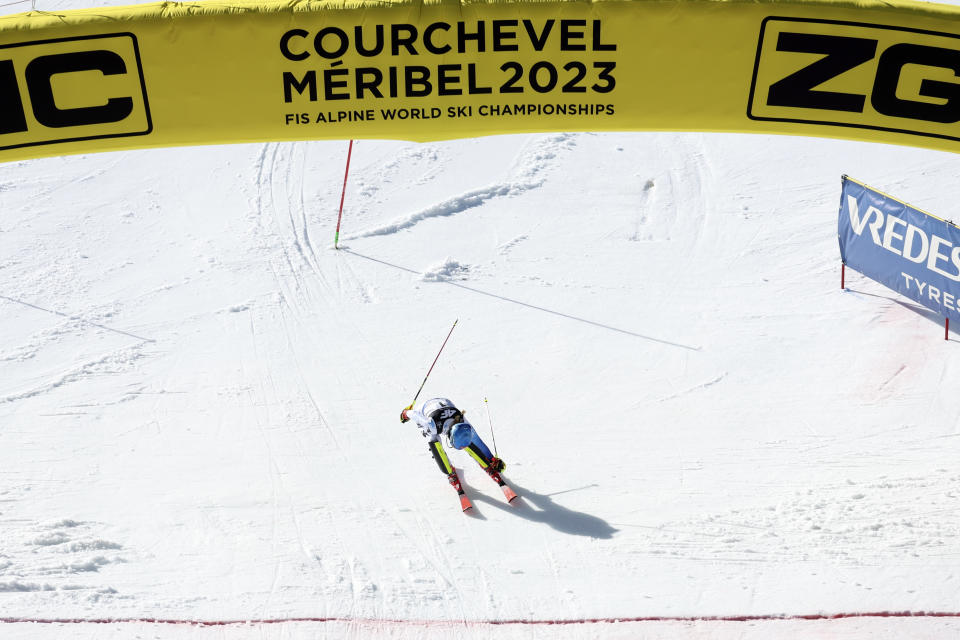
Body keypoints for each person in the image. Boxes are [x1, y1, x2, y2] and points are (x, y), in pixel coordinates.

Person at [401, 397, 505, 489]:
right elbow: (413, 413)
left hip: (445, 403)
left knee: (466, 437)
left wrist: (491, 458)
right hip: (424, 409)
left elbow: (477, 440)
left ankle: (485, 463)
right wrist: (405, 413)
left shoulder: (463, 423)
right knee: (434, 442)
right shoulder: (431, 426)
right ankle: (450, 473)